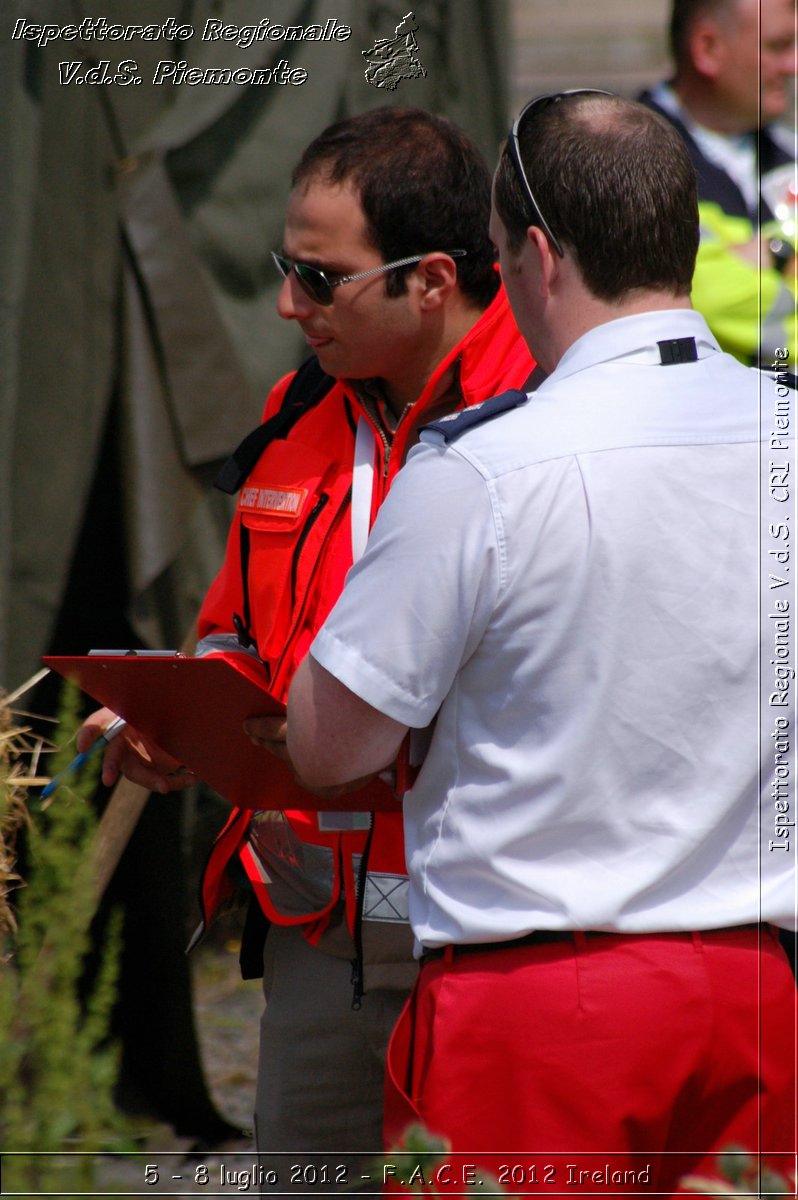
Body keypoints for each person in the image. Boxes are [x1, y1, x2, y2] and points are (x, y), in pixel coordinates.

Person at [286, 92, 797, 1192]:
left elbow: (328, 748)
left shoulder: (479, 468)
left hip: (536, 1010)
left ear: (532, 254)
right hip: (759, 993)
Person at [78, 107, 535, 1184]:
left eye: (321, 278)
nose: (289, 304)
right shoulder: (297, 415)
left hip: (492, 941)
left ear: (429, 280)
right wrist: (178, 714)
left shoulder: (548, 418)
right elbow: (236, 622)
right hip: (317, 941)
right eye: (286, 267)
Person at [639, 0, 797, 366]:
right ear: (707, 49)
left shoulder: (791, 152)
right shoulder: (628, 165)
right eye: (777, 46)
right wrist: (786, 256)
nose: (793, 65)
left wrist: (764, 253)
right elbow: (702, 296)